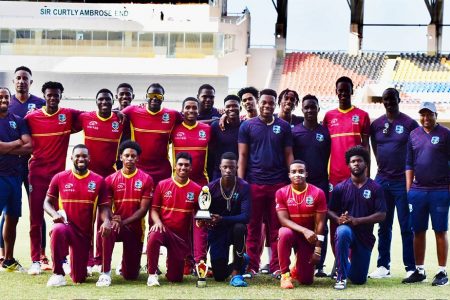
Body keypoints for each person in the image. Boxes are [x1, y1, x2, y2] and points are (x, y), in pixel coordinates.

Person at [25, 81, 83, 275]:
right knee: (35, 217)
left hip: (59, 177)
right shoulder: (32, 118)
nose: (52, 98)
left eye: (56, 95)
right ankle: (36, 260)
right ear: (44, 96)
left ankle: (63, 258)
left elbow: (93, 116)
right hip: (37, 174)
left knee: (62, 217)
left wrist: (117, 111)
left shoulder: (67, 115)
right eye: (49, 95)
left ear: (61, 95)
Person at [238, 88, 293, 277]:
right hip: (254, 184)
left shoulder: (284, 126)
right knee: (253, 228)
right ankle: (252, 265)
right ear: (258, 103)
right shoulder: (247, 126)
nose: (267, 106)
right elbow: (243, 156)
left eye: (271, 102)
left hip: (278, 184)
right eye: (264, 102)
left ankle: (277, 266)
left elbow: (288, 155)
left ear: (275, 104)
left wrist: (292, 179)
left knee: (277, 227)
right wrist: (241, 182)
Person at [43, 144, 111, 287]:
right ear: (71, 158)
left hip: (84, 235)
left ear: (89, 159)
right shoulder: (59, 177)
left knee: (78, 279)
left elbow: (104, 207)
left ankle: (78, 267)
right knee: (57, 230)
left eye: (84, 156)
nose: (81, 159)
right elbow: (46, 203)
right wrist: (54, 214)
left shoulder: (98, 180)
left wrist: (106, 221)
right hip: (66, 227)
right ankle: (58, 274)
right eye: (78, 156)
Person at [368, 88, 418, 279]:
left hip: (402, 181)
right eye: (386, 99)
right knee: (383, 225)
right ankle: (383, 265)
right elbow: (374, 146)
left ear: (398, 99)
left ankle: (410, 267)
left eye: (392, 98)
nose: (389, 102)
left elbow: (415, 150)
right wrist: (381, 165)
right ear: (382, 101)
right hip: (382, 180)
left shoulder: (409, 123)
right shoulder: (377, 124)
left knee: (406, 225)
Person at [1, 66, 48, 269]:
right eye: (18, 78)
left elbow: (32, 143)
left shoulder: (40, 104)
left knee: (37, 209)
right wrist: (15, 149)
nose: (21, 81)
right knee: (7, 214)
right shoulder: (7, 103)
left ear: (31, 82)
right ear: (14, 82)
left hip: (31, 167)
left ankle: (43, 255)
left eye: (25, 78)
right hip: (6, 169)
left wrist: (6, 149)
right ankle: (5, 256)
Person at [403, 102, 450, 286]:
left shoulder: (446, 134)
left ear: (436, 115)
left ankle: (442, 272)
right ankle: (419, 270)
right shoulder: (413, 135)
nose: (425, 118)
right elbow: (409, 163)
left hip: (440, 191)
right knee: (418, 231)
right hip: (418, 192)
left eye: (429, 114)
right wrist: (409, 189)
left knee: (440, 231)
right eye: (422, 115)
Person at [328, 146, 386, 290]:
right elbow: (329, 210)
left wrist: (358, 220)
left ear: (365, 163)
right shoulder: (340, 188)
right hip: (347, 230)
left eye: (359, 161)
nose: (356, 164)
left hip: (364, 237)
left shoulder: (375, 188)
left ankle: (342, 264)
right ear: (348, 164)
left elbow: (382, 214)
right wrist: (338, 219)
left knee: (359, 279)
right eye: (353, 161)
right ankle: (341, 277)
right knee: (342, 231)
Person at [96, 141, 153, 287]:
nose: (129, 159)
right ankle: (105, 272)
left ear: (138, 158)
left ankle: (126, 265)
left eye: (133, 156)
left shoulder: (146, 179)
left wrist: (123, 222)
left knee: (131, 276)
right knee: (106, 229)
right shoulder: (110, 180)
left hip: (134, 228)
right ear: (120, 157)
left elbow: (143, 210)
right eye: (126, 155)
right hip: (116, 225)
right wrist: (110, 219)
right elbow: (106, 206)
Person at [146, 152, 201, 286]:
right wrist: (158, 222)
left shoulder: (197, 189)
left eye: (186, 165)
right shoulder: (162, 185)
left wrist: (203, 219)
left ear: (191, 168)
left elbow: (200, 213)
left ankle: (172, 269)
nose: (183, 168)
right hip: (164, 230)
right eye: (180, 165)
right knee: (153, 235)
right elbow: (153, 209)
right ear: (175, 167)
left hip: (180, 238)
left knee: (175, 278)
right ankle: (152, 275)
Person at [291, 94, 331, 277]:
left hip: (321, 184)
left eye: (312, 107)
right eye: (306, 107)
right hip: (300, 186)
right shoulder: (295, 132)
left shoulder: (325, 132)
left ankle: (320, 264)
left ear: (318, 109)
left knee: (322, 224)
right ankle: (301, 262)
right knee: (300, 223)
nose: (309, 110)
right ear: (302, 109)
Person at [200, 152, 251, 287]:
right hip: (217, 231)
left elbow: (246, 217)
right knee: (219, 276)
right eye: (225, 167)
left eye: (232, 167)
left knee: (240, 227)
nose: (228, 170)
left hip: (234, 229)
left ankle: (236, 274)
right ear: (220, 168)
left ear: (236, 168)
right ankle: (242, 261)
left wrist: (222, 219)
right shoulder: (210, 188)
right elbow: (204, 212)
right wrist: (207, 218)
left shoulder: (244, 186)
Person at [171, 97, 211, 268]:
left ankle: (200, 262)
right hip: (179, 183)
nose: (191, 111)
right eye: (187, 107)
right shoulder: (174, 129)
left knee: (201, 223)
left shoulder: (207, 129)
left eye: (194, 108)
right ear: (182, 110)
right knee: (182, 223)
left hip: (201, 183)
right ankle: (185, 262)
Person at [276, 160, 327, 288]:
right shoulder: (281, 192)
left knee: (306, 280)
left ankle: (296, 269)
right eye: (293, 172)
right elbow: (283, 220)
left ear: (306, 174)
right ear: (289, 175)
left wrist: (318, 250)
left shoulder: (318, 193)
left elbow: (321, 223)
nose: (297, 174)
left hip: (308, 238)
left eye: (301, 171)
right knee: (284, 232)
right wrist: (304, 230)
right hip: (292, 233)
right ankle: (285, 276)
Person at [122, 83, 181, 184]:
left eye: (158, 96)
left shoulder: (173, 115)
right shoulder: (133, 111)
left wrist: (215, 119)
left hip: (162, 171)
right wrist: (117, 112)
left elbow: (192, 123)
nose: (154, 98)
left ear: (163, 98)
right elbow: (112, 116)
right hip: (138, 169)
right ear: (146, 97)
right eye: (151, 95)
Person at [0, 87, 32, 272]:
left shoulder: (18, 121)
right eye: (0, 97)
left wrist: (6, 147)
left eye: (6, 97)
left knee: (12, 219)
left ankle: (9, 259)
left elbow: (29, 146)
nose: (3, 100)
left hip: (15, 177)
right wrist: (16, 143)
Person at [323, 76, 370, 190]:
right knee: (334, 208)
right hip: (334, 175)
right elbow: (324, 148)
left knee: (356, 207)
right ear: (336, 92)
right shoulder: (329, 116)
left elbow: (366, 146)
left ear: (352, 91)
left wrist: (367, 173)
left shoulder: (362, 115)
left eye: (346, 90)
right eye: (340, 91)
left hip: (356, 174)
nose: (343, 94)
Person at [77, 88, 124, 178]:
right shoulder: (85, 117)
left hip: (110, 175)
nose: (104, 102)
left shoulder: (121, 119)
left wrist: (116, 112)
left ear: (113, 101)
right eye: (101, 99)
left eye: (108, 99)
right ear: (96, 102)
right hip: (88, 173)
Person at [208, 95, 241, 180]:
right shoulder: (216, 126)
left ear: (240, 108)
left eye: (234, 106)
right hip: (219, 172)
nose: (231, 108)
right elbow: (211, 149)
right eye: (228, 106)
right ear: (224, 109)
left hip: (238, 171)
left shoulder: (245, 126)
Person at [113, 82, 134, 170]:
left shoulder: (137, 113)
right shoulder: (111, 114)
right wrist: (114, 112)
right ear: (116, 96)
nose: (125, 96)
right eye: (121, 94)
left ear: (133, 96)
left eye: (128, 94)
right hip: (115, 158)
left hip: (132, 158)